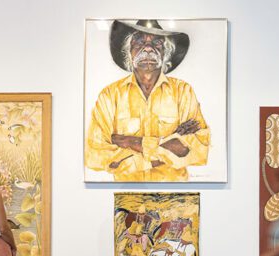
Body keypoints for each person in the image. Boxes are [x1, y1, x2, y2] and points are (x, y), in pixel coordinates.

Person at [86, 19, 211, 181]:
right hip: (126, 193)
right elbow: (95, 154)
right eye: (139, 41)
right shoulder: (110, 94)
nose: (147, 48)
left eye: (156, 42)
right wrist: (164, 147)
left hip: (174, 191)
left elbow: (200, 149)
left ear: (166, 52)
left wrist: (129, 141)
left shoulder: (182, 91)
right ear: (128, 51)